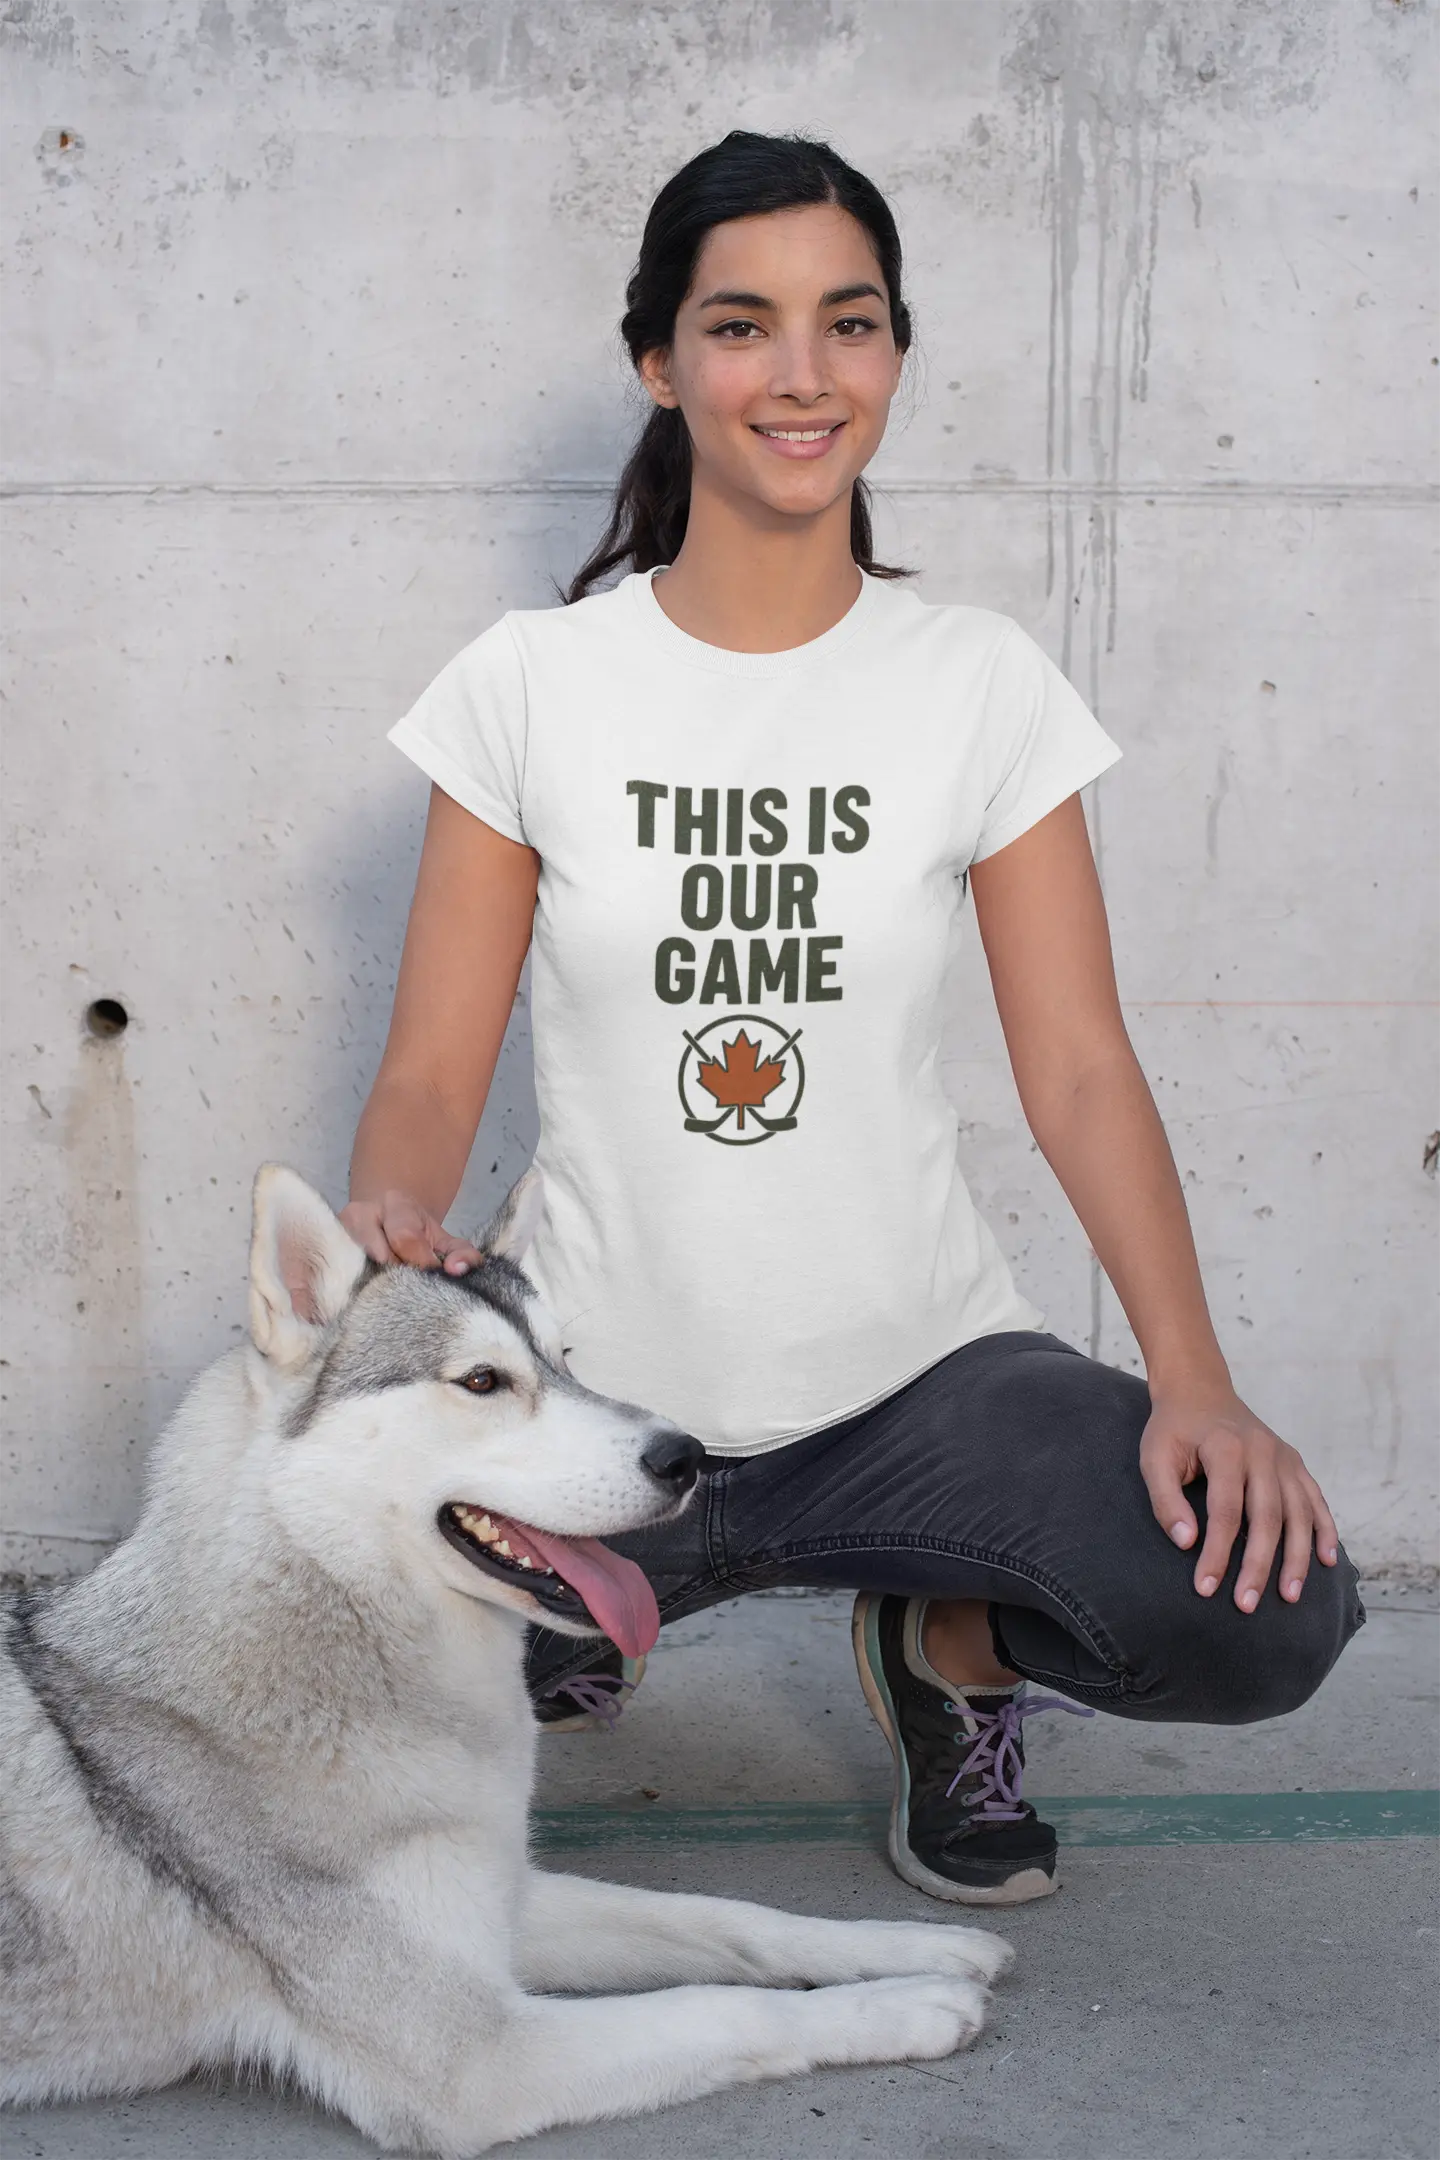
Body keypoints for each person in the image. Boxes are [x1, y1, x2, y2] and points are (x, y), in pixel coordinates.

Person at [343, 130, 1363, 1907]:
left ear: (894, 352)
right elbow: (433, 1067)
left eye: (851, 321)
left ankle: (945, 1652)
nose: (802, 375)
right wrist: (389, 1249)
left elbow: (1080, 1065)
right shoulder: (532, 685)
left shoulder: (975, 683)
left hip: (918, 1386)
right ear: (658, 362)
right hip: (594, 1387)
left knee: (1261, 1616)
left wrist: (1196, 1380)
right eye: (742, 325)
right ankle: (594, 1593)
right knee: (319, 1680)